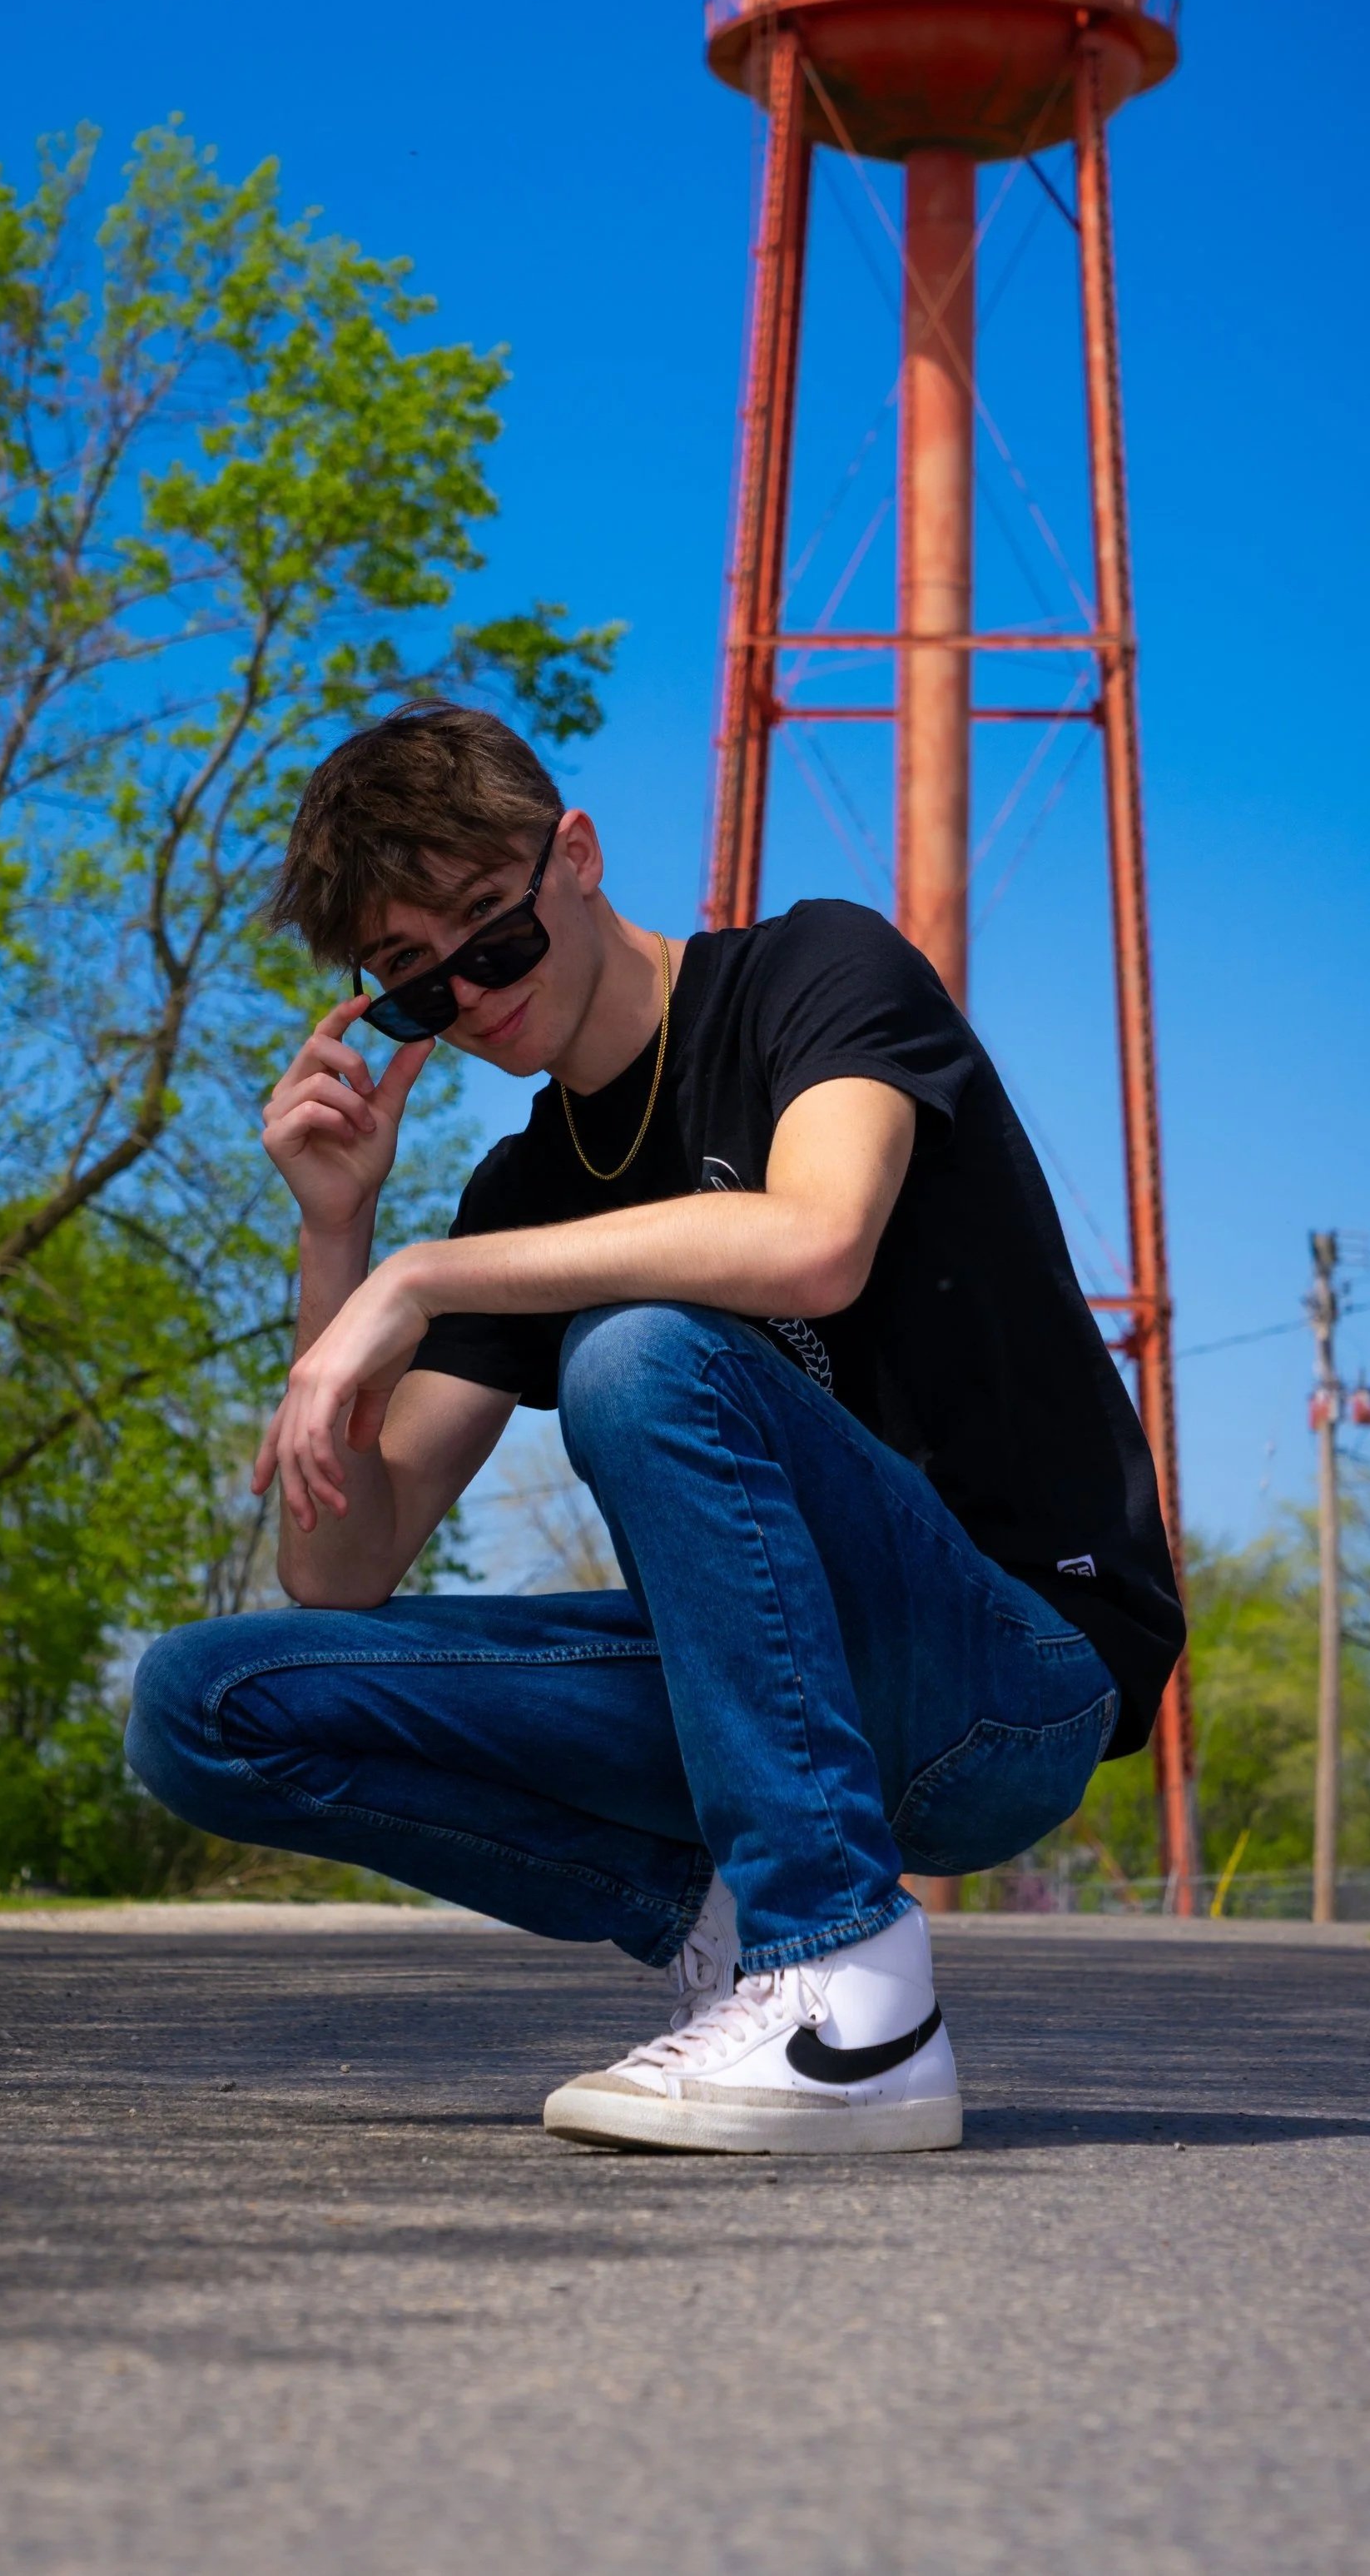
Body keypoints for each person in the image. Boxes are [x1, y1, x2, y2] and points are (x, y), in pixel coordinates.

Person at [127, 703, 1184, 2154]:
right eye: (418, 987)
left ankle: (849, 1998)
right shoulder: (520, 1189)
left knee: (638, 1348)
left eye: (491, 934)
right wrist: (339, 1235)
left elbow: (814, 1241)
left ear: (577, 854)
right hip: (760, 1699)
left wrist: (419, 1277)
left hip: (1012, 1667)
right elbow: (344, 1565)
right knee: (206, 1701)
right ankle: (721, 1912)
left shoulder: (817, 970)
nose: (477, 996)